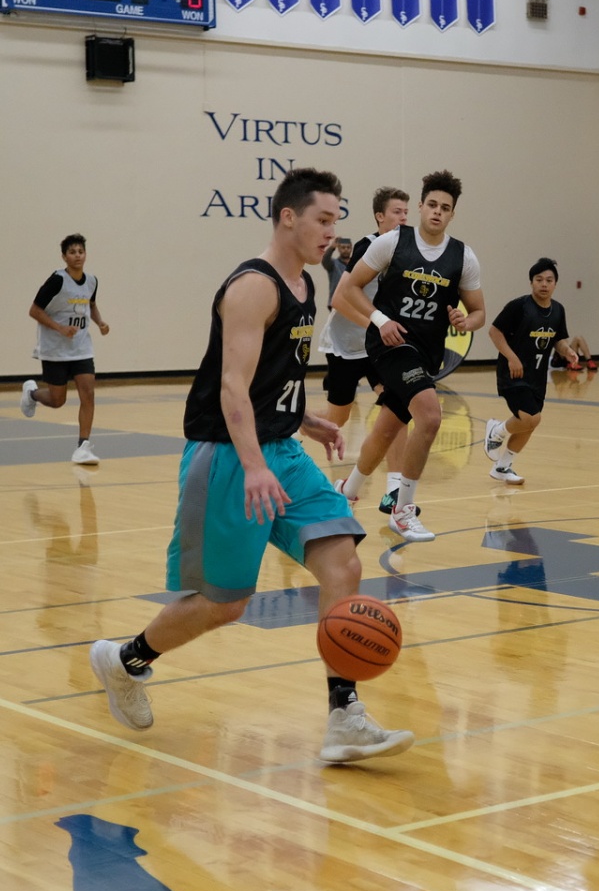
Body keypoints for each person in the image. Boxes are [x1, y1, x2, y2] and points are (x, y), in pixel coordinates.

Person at [88, 168, 414, 764]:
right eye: (322, 219)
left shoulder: (305, 284)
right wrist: (254, 464)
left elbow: (271, 379)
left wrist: (302, 419)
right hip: (229, 456)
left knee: (342, 562)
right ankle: (125, 660)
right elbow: (232, 387)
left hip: (281, 451)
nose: (332, 231)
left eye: (336, 219)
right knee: (226, 602)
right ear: (288, 217)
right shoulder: (252, 288)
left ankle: (344, 716)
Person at [333, 169, 485, 542]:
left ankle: (346, 492)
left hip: (426, 354)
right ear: (420, 206)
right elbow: (349, 289)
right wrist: (380, 320)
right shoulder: (392, 243)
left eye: (444, 208)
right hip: (390, 343)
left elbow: (480, 313)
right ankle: (403, 511)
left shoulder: (463, 257)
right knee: (430, 417)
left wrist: (465, 321)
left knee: (387, 429)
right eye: (432, 204)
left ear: (452, 214)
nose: (437, 212)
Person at [317, 187, 413, 514]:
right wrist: (376, 324)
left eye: (406, 212)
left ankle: (394, 488)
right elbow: (340, 300)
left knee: (396, 407)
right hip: (345, 344)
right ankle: (297, 421)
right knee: (337, 418)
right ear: (380, 216)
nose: (403, 218)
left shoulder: (406, 253)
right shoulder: (367, 247)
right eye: (397, 212)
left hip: (377, 347)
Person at [483, 257, 577, 484]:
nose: (544, 284)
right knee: (529, 417)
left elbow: (558, 340)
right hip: (513, 373)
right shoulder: (519, 307)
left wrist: (567, 351)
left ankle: (502, 467)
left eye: (549, 280)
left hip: (537, 376)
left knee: (531, 423)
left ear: (555, 284)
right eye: (539, 279)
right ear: (531, 282)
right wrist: (512, 357)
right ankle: (497, 430)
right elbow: (494, 332)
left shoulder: (558, 310)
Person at [20, 233, 110, 465]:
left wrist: (100, 322)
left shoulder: (92, 281)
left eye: (81, 251)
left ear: (85, 254)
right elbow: (34, 310)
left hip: (82, 348)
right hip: (55, 349)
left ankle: (83, 447)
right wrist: (59, 328)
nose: (77, 256)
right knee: (57, 400)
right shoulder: (57, 281)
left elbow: (91, 305)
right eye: (72, 252)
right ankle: (31, 393)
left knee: (88, 394)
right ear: (64, 257)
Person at [320, 236, 353, 310]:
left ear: (351, 248)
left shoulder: (355, 265)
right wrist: (332, 247)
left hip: (352, 302)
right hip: (336, 302)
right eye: (343, 247)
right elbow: (325, 260)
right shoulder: (333, 264)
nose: (346, 249)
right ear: (338, 248)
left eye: (348, 247)